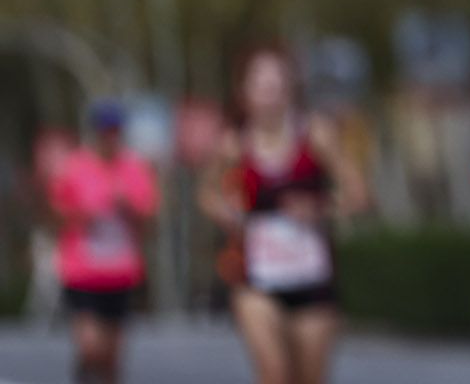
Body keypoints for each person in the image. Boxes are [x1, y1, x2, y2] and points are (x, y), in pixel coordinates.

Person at [198, 44, 368, 384]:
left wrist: (321, 208)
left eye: (277, 85)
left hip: (312, 279)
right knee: (274, 375)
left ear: (290, 89)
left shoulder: (316, 135)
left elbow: (358, 194)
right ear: (244, 93)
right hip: (257, 280)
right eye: (261, 86)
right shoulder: (234, 144)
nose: (270, 94)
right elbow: (206, 194)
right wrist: (232, 217)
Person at [46, 100, 159, 384]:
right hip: (83, 272)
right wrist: (85, 215)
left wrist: (128, 209)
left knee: (111, 356)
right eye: (104, 131)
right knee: (91, 344)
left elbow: (150, 220)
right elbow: (55, 215)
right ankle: (84, 369)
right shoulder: (74, 166)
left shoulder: (134, 167)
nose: (110, 137)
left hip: (120, 272)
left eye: (115, 131)